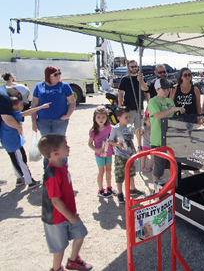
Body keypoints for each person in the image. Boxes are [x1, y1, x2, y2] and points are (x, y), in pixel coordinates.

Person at [38, 134, 92, 271]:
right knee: (59, 248)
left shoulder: (61, 165)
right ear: (55, 153)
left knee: (80, 234)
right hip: (56, 218)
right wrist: (71, 217)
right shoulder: (52, 174)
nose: (68, 148)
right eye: (65, 146)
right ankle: (56, 269)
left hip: (69, 212)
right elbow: (55, 201)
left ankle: (73, 261)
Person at [0, 92, 50, 189]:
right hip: (13, 144)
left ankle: (19, 179)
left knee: (15, 160)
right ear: (14, 107)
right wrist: (41, 107)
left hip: (8, 143)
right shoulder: (13, 114)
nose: (23, 106)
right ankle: (30, 182)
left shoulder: (7, 115)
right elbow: (27, 112)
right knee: (22, 161)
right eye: (21, 105)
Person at [31, 66, 76, 170]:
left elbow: (72, 102)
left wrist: (68, 115)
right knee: (47, 147)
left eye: (59, 73)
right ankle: (48, 172)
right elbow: (34, 105)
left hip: (60, 121)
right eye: (55, 74)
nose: (58, 76)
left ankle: (63, 170)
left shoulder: (64, 86)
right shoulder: (39, 86)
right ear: (48, 76)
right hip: (43, 121)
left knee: (60, 146)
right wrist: (34, 122)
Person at [148, 78, 185, 182]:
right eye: (164, 89)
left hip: (171, 139)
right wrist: (173, 109)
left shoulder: (169, 101)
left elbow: (173, 117)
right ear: (157, 89)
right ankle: (156, 191)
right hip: (158, 140)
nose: (166, 91)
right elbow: (158, 116)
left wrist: (179, 111)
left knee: (172, 166)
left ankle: (173, 189)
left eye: (168, 88)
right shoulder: (153, 101)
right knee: (158, 169)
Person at [108, 106, 145, 204]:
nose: (128, 119)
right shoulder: (115, 129)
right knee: (120, 175)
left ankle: (132, 189)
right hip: (120, 156)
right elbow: (110, 141)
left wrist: (134, 150)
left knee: (131, 173)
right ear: (119, 118)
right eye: (126, 117)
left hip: (130, 155)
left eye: (129, 117)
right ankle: (120, 193)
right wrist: (117, 144)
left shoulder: (129, 127)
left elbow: (130, 139)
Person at [117, 60, 149, 146]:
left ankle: (139, 147)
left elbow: (146, 91)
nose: (134, 68)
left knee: (139, 129)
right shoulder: (125, 79)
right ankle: (129, 147)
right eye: (132, 66)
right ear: (128, 68)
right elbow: (120, 93)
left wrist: (141, 80)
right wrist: (119, 106)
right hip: (128, 109)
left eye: (135, 66)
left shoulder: (141, 78)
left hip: (139, 108)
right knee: (127, 129)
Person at [88, 106, 117, 198]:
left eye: (103, 117)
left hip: (108, 153)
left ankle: (109, 187)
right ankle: (100, 190)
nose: (101, 119)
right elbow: (89, 143)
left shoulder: (108, 127)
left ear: (106, 117)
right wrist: (96, 149)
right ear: (94, 118)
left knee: (109, 170)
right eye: (98, 117)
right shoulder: (93, 131)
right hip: (99, 155)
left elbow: (113, 137)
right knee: (101, 172)